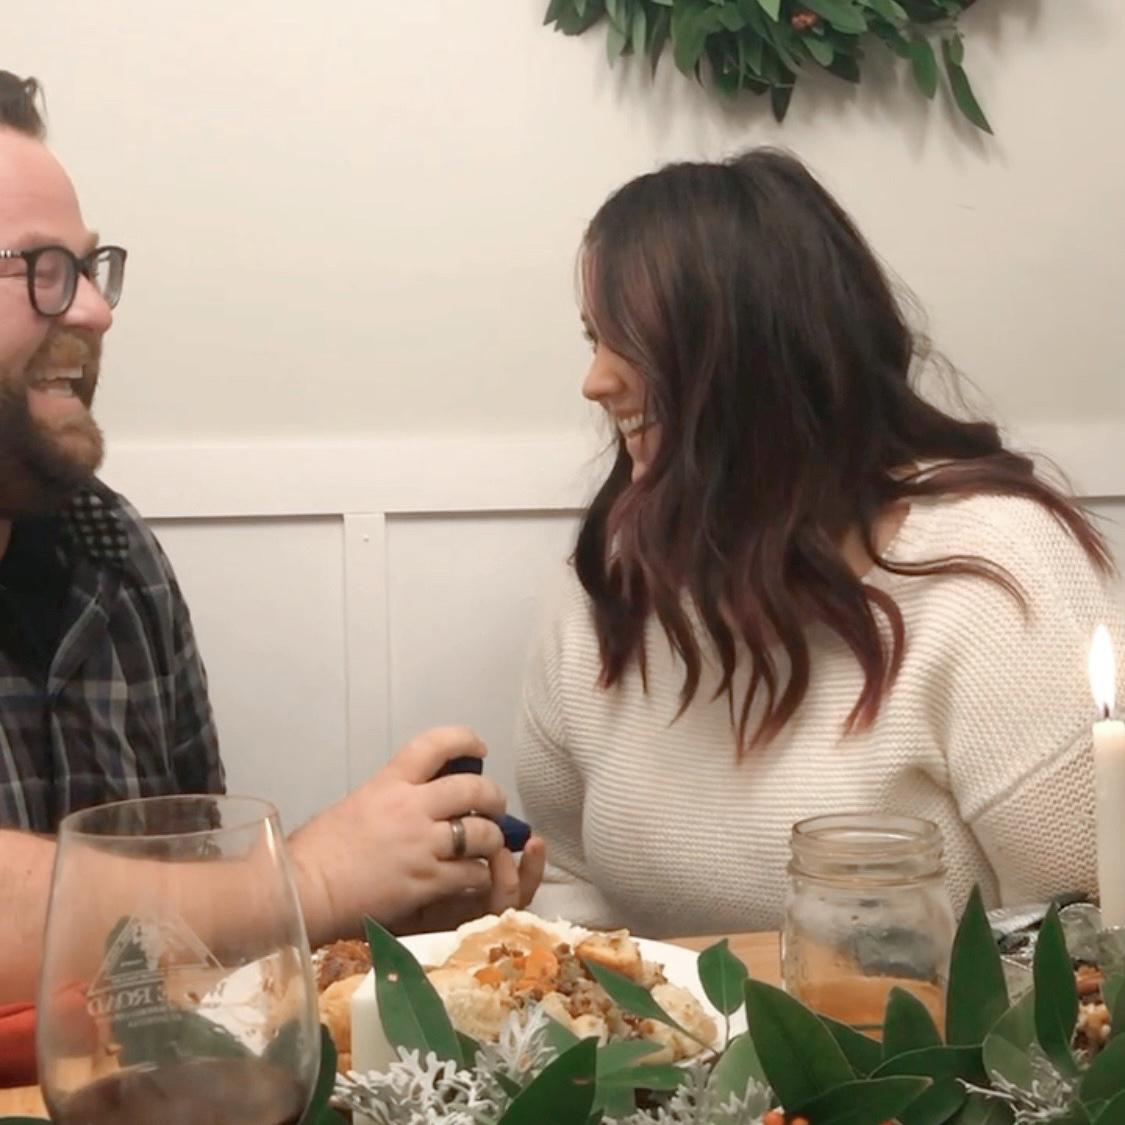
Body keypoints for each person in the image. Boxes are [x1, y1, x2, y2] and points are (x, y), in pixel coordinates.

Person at [0, 72, 543, 1005]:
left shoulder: (114, 552)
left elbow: (209, 921)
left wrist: (379, 910)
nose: (94, 309)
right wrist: (310, 880)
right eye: (42, 269)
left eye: (90, 268)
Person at [516, 148, 1121, 938]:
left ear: (753, 354)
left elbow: (1090, 942)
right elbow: (566, 888)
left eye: (629, 339)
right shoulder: (606, 584)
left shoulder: (1000, 578)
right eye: (593, 338)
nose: (594, 381)